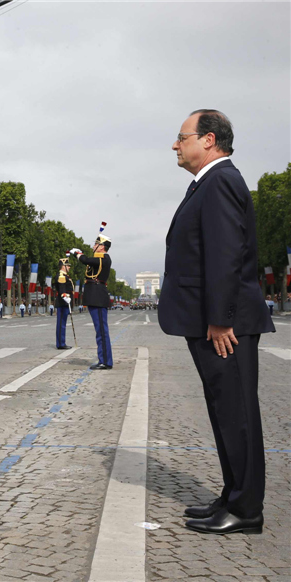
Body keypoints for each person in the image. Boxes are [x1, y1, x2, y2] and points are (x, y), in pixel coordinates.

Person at [160, 109, 274, 535]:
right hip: (213, 321)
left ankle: (247, 510)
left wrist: (221, 320)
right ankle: (233, 495)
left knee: (237, 414)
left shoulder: (220, 181)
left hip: (226, 325)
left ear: (208, 140)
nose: (175, 144)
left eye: (181, 136)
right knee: (225, 412)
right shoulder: (208, 183)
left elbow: (226, 255)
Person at [71, 236, 113, 370]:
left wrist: (78, 254)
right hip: (94, 296)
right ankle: (104, 359)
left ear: (101, 246)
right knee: (99, 330)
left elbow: (86, 260)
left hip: (98, 297)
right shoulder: (99, 259)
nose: (93, 246)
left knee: (101, 331)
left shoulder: (104, 258)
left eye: (96, 244)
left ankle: (106, 361)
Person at [53, 258, 74, 349]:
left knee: (63, 323)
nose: (69, 267)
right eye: (68, 265)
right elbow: (62, 291)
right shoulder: (61, 276)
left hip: (65, 303)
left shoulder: (65, 276)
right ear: (63, 266)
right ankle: (61, 343)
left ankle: (62, 342)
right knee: (61, 324)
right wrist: (66, 298)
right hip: (63, 303)